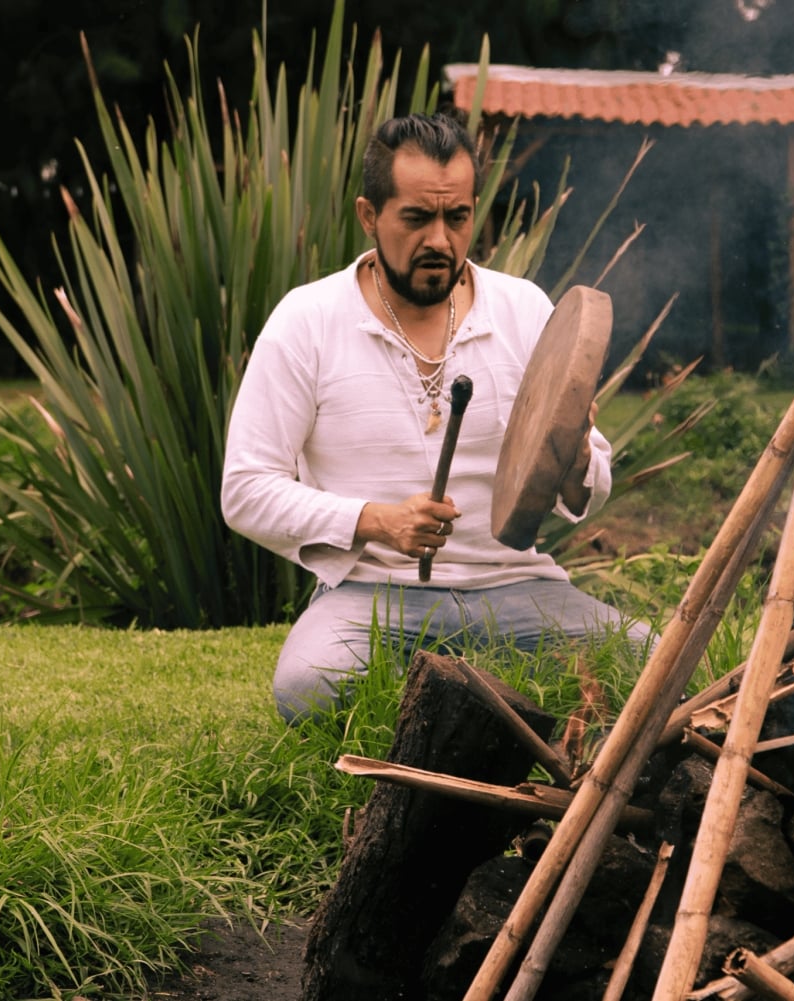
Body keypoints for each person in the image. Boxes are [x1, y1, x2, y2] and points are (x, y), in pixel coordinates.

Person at [222, 111, 649, 723]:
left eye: (458, 218)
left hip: (519, 587)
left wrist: (578, 452)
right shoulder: (307, 319)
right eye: (417, 219)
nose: (441, 241)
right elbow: (245, 490)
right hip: (372, 597)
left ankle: (472, 701)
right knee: (311, 689)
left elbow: (590, 486)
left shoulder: (523, 309)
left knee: (652, 660)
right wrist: (375, 520)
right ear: (370, 216)